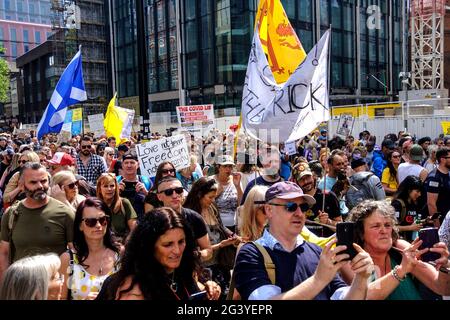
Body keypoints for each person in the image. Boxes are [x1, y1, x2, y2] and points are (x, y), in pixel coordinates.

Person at [233, 181, 374, 300]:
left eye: (304, 207)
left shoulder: (317, 251)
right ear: (269, 210)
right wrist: (319, 280)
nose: (299, 213)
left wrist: (361, 277)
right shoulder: (252, 253)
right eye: (290, 207)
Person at [96, 207, 221, 300]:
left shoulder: (182, 272)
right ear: (149, 246)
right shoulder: (130, 287)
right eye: (168, 244)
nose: (177, 250)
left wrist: (208, 290)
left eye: (181, 241)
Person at [346, 200, 450, 299]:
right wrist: (401, 270)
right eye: (376, 226)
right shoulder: (352, 259)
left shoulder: (400, 249)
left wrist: (445, 267)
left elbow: (442, 288)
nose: (384, 231)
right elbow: (366, 296)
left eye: (387, 225)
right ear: (360, 232)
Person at [0, 162, 75, 280]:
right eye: (33, 182)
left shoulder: (65, 213)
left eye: (43, 181)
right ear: (22, 185)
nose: (40, 186)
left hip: (54, 290)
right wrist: (4, 286)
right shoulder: (11, 214)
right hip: (21, 287)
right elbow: (4, 253)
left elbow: (75, 252)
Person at [184, 177, 241, 296]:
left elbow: (221, 226)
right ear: (199, 194)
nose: (213, 200)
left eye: (214, 197)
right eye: (210, 197)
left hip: (220, 263)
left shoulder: (212, 208)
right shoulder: (191, 217)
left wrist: (232, 236)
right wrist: (219, 245)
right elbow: (196, 250)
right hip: (204, 269)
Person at [59, 198, 122, 300]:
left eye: (102, 220)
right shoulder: (67, 259)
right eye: (90, 222)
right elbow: (60, 297)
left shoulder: (120, 254)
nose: (98, 225)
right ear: (80, 226)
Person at [156, 176, 212, 261]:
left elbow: (208, 251)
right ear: (159, 196)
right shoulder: (153, 221)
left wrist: (194, 256)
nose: (175, 195)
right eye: (169, 192)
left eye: (179, 191)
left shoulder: (195, 218)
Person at [96, 173, 137, 241]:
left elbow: (134, 229)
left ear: (116, 187)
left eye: (112, 186)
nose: (109, 189)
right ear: (99, 189)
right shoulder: (94, 206)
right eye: (105, 186)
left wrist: (126, 244)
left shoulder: (124, 203)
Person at [117, 151, 151, 220]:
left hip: (141, 223)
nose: (129, 165)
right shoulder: (115, 181)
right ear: (122, 165)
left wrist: (146, 192)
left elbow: (156, 202)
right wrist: (116, 192)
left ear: (138, 164)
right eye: (126, 163)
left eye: (132, 162)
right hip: (120, 223)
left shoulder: (146, 181)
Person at [213, 155, 243, 233]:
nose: (228, 169)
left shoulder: (236, 180)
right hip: (216, 226)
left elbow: (241, 204)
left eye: (230, 166)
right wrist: (216, 194)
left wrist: (238, 186)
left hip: (233, 226)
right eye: (225, 166)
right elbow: (203, 204)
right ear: (219, 167)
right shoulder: (211, 181)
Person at [391, 176, 425, 241]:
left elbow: (412, 221)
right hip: (399, 241)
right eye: (417, 191)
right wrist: (410, 228)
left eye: (420, 192)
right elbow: (392, 227)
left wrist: (426, 220)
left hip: (411, 240)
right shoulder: (397, 204)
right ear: (409, 190)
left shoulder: (414, 203)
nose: (419, 194)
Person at [425, 147, 450, 226]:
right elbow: (431, 204)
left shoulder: (448, 173)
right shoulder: (434, 178)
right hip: (442, 220)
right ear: (442, 159)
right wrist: (437, 226)